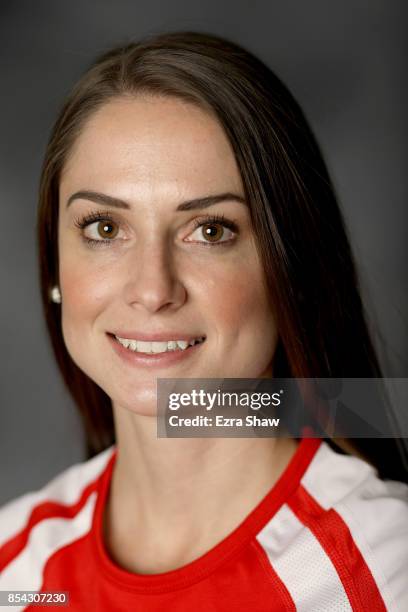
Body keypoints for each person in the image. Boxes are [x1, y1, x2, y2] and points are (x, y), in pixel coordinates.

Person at [0, 31, 407, 611]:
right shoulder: (14, 569)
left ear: (292, 267)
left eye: (211, 230)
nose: (152, 289)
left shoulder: (383, 573)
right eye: (105, 228)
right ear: (55, 266)